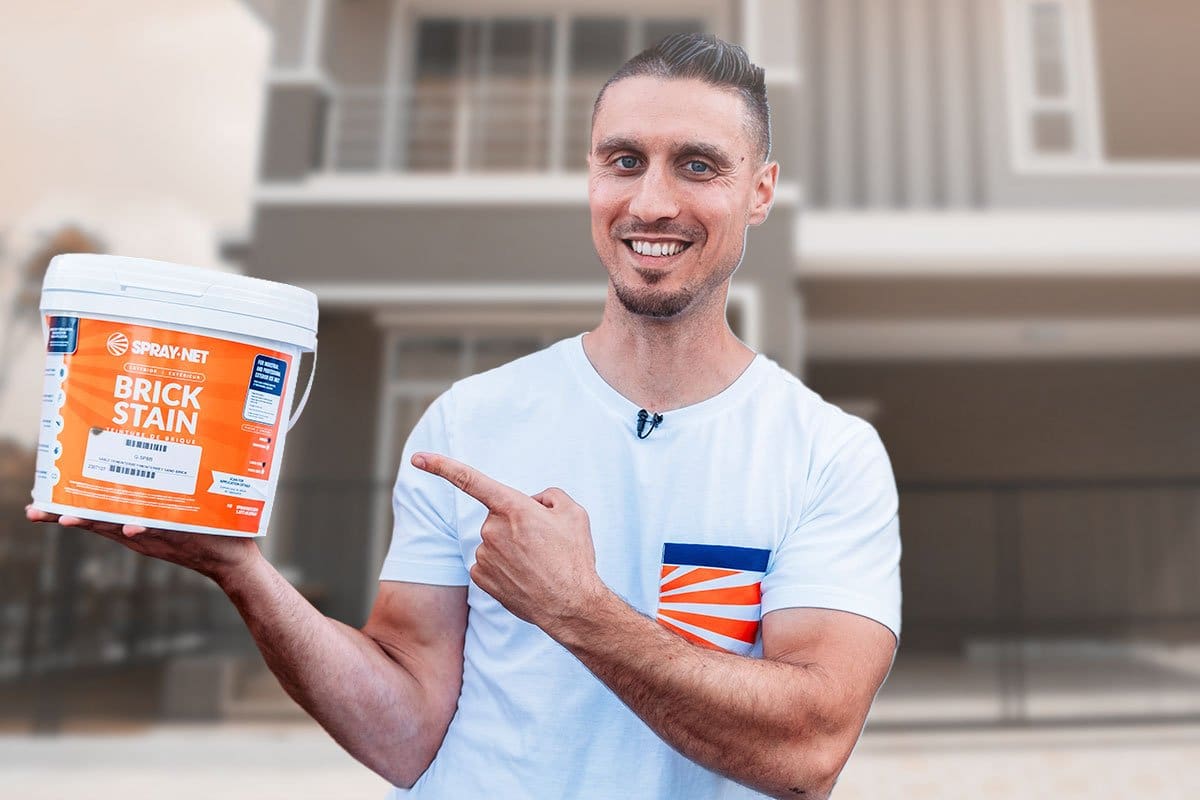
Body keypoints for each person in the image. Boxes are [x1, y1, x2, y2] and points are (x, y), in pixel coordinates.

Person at [27, 33, 899, 800]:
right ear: (592, 174)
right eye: (624, 160)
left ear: (760, 190)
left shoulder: (826, 454)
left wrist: (576, 609)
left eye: (698, 166)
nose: (651, 203)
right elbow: (405, 732)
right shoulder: (471, 421)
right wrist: (241, 571)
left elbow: (808, 753)